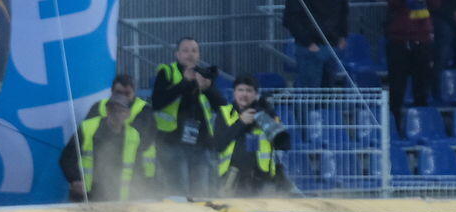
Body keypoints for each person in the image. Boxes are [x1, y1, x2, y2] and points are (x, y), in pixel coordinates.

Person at [60, 74, 157, 202]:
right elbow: (68, 157)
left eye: (121, 110)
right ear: (107, 109)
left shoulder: (135, 132)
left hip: (121, 196)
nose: (117, 114)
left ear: (127, 114)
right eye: (113, 109)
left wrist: (141, 189)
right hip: (88, 195)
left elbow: (138, 164)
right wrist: (75, 179)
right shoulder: (89, 126)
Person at [150, 38, 226, 196]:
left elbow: (221, 106)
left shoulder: (203, 75)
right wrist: (184, 82)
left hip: (201, 143)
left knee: (201, 194)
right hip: (173, 143)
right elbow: (157, 103)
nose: (190, 54)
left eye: (194, 51)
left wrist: (208, 88)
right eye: (185, 50)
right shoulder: (167, 72)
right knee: (179, 193)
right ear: (177, 54)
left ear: (199, 55)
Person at [214, 75, 289, 196]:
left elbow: (284, 144)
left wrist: (266, 118)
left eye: (249, 91)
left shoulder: (266, 113)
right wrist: (241, 123)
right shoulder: (224, 113)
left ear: (256, 95)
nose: (244, 94)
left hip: (262, 178)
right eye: (240, 90)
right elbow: (218, 144)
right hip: (232, 178)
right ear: (234, 93)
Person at [385, 0, 439, 131]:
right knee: (397, 88)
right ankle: (394, 127)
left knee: (421, 88)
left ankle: (421, 128)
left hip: (423, 39)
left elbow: (436, 5)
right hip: (399, 40)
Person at [283, 0, 350, 86]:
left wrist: (342, 36)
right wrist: (308, 43)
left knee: (326, 87)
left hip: (330, 45)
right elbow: (290, 18)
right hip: (311, 46)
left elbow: (343, 11)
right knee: (311, 88)